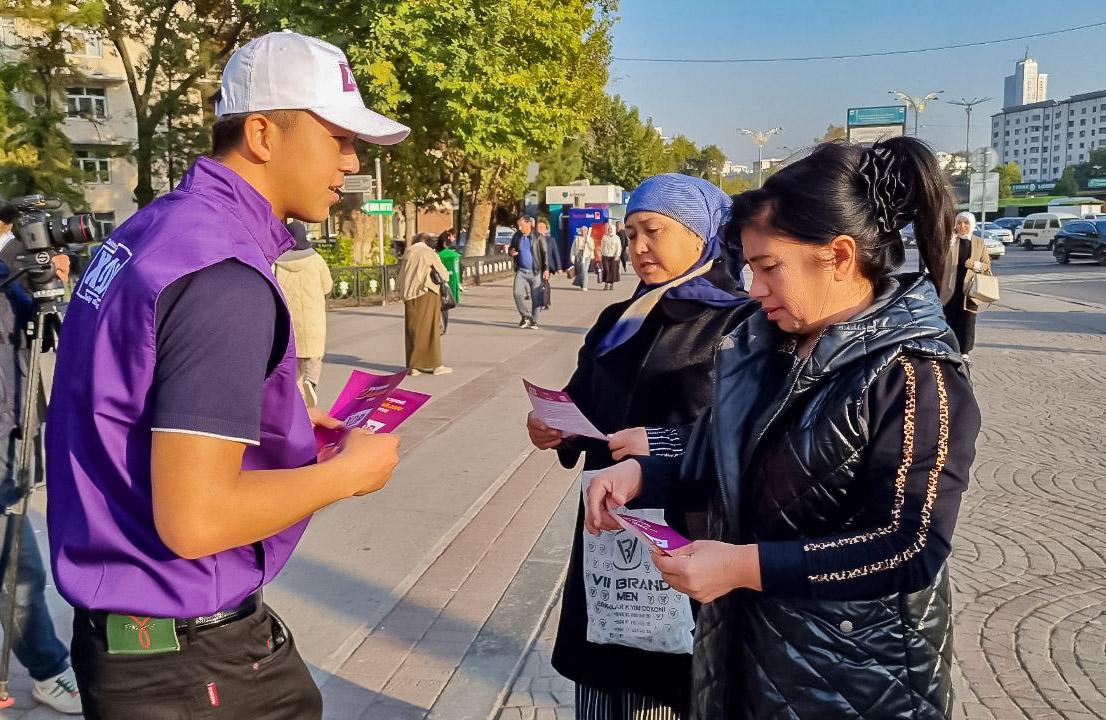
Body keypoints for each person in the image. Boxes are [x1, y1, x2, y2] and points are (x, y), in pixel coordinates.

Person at [45, 32, 405, 720]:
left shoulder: (152, 230)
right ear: (264, 133)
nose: (351, 162)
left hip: (134, 647)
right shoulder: (225, 277)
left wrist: (288, 425)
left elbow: (128, 406)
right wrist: (347, 475)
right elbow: (196, 519)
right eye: (338, 138)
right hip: (191, 669)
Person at [585, 137, 982, 720]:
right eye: (750, 268)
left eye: (770, 267)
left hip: (853, 678)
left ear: (839, 256)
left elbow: (909, 545)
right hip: (743, 656)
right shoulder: (765, 346)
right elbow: (727, 456)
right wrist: (644, 474)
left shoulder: (915, 373)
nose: (753, 289)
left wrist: (743, 565)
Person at [527, 174, 754, 719]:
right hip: (608, 520)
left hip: (689, 525)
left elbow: (746, 431)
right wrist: (556, 427)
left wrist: (663, 444)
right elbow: (587, 399)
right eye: (629, 234)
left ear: (699, 234)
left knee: (671, 678)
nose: (638, 248)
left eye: (652, 230)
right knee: (606, 667)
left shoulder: (741, 323)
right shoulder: (618, 320)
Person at [0, 203, 81, 714]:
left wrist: (50, 288)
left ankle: (46, 666)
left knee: (17, 562)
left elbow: (44, 335)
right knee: (19, 566)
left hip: (10, 427)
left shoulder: (11, 267)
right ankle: (49, 670)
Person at [275, 220, 333, 407]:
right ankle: (311, 381)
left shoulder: (278, 262)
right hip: (313, 316)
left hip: (290, 318)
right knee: (314, 356)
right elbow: (327, 286)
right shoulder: (316, 259)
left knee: (295, 358)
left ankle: (299, 389)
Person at [940, 211, 991, 365]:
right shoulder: (950, 241)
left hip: (970, 289)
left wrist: (975, 265)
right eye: (959, 222)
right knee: (950, 318)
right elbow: (939, 260)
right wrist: (949, 242)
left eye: (966, 223)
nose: (962, 226)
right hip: (951, 289)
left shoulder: (979, 243)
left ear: (971, 225)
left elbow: (987, 265)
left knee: (968, 320)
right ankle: (950, 348)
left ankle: (965, 352)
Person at [400, 233, 452, 374]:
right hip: (426, 293)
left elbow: (401, 277)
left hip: (409, 295)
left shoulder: (408, 253)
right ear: (427, 242)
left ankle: (414, 367)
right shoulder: (428, 253)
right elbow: (443, 274)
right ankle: (436, 365)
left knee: (413, 330)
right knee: (431, 329)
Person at [508, 215, 549, 329]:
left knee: (535, 297)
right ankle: (525, 316)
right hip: (521, 271)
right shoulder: (517, 236)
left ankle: (534, 320)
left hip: (535, 272)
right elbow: (511, 248)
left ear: (528, 224)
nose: (520, 228)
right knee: (517, 293)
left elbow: (545, 254)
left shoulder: (538, 237)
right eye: (518, 226)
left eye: (521, 225)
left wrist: (546, 269)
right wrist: (511, 252)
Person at [436, 229, 462, 334]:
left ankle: (441, 326)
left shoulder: (443, 244)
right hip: (442, 278)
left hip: (441, 278)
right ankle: (442, 326)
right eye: (454, 237)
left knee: (442, 303)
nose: (454, 239)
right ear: (450, 235)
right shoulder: (443, 243)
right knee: (443, 302)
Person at [535, 219, 553, 309]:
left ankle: (545, 302)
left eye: (542, 227)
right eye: (539, 227)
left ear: (546, 229)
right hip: (534, 266)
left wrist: (559, 267)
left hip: (546, 266)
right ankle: (538, 300)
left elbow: (555, 253)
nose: (540, 229)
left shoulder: (550, 240)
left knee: (545, 284)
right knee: (536, 284)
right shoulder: (532, 239)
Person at [570, 225, 594, 292]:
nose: (584, 232)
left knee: (584, 270)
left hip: (587, 255)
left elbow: (592, 247)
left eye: (585, 230)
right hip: (579, 255)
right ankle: (581, 283)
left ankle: (585, 286)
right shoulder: (577, 238)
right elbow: (573, 248)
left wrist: (588, 242)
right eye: (582, 230)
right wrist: (572, 256)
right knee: (581, 270)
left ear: (587, 231)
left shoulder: (589, 238)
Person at [599, 223, 621, 290]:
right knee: (606, 270)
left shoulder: (617, 238)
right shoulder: (604, 237)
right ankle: (606, 284)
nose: (610, 230)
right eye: (609, 229)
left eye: (611, 229)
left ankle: (611, 284)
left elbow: (619, 247)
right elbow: (602, 246)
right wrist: (601, 254)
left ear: (614, 230)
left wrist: (617, 255)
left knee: (612, 271)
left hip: (614, 256)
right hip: (605, 256)